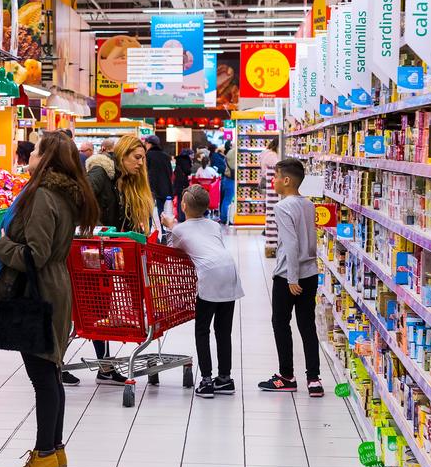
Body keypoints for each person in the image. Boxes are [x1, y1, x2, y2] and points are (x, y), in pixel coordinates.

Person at [0, 132, 99, 467]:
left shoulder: (44, 196)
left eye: (34, 151)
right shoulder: (62, 193)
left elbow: (35, 254)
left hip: (38, 291)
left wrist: (1, 245)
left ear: (46, 159)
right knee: (51, 371)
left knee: (44, 377)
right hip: (53, 286)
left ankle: (44, 456)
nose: (29, 154)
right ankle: (54, 452)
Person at [85, 134, 161, 385]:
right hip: (93, 249)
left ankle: (104, 367)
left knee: (100, 305)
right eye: (136, 157)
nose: (140, 163)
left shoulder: (125, 180)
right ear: (123, 154)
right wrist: (95, 229)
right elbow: (82, 199)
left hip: (108, 249)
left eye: (143, 158)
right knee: (93, 305)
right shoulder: (100, 173)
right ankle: (98, 366)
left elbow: (120, 215)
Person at [162, 185, 244, 398]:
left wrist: (170, 226)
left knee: (202, 330)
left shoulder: (180, 229)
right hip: (229, 272)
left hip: (209, 276)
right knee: (223, 331)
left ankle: (206, 380)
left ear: (183, 205)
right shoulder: (214, 225)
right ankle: (225, 379)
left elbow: (172, 250)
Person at [259, 158, 323, 397]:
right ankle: (314, 379)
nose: (273, 181)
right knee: (307, 325)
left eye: (275, 177)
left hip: (289, 276)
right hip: (311, 273)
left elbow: (292, 244)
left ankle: (286, 376)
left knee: (280, 323)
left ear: (286, 180)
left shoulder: (282, 207)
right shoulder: (308, 204)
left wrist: (292, 279)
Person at [145, 135, 173, 217]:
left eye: (146, 143)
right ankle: (164, 230)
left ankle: (147, 230)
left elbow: (144, 172)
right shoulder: (165, 156)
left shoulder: (147, 156)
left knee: (149, 214)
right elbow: (170, 172)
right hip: (164, 188)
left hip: (150, 188)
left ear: (150, 144)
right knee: (163, 213)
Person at [172, 148, 193, 221]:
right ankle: (183, 217)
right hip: (183, 182)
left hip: (177, 182)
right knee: (184, 200)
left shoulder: (178, 160)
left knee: (179, 200)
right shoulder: (186, 160)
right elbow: (188, 171)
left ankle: (180, 217)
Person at [220, 140, 237, 224]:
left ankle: (224, 217)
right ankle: (227, 218)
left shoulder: (229, 152)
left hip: (227, 178)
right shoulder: (234, 152)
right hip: (232, 179)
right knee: (228, 199)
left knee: (226, 199)